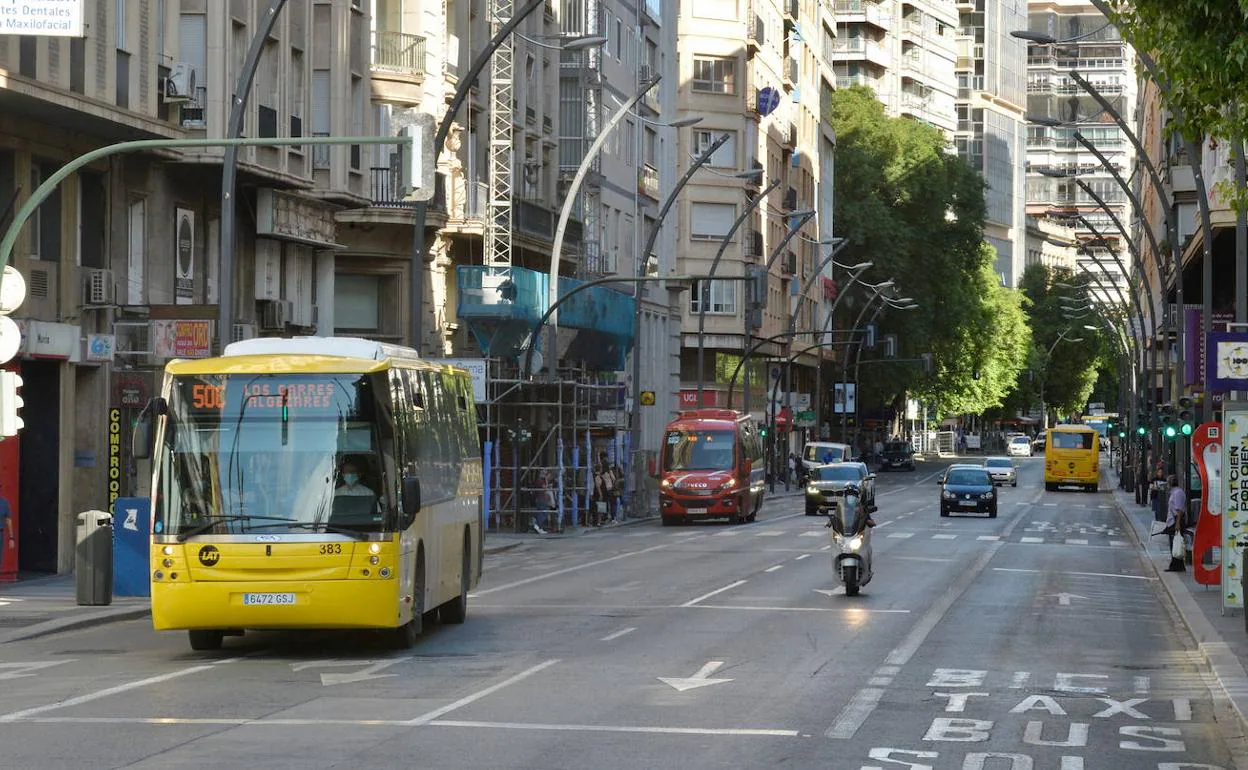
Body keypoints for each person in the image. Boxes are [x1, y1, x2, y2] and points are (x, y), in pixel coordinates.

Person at [1164, 473, 1187, 573]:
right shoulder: (1175, 492)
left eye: (1168, 482)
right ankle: (1178, 564)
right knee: (1174, 542)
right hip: (1172, 521)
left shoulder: (1177, 493)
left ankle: (1176, 565)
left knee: (1176, 542)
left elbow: (1179, 510)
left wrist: (1177, 523)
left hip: (1176, 521)